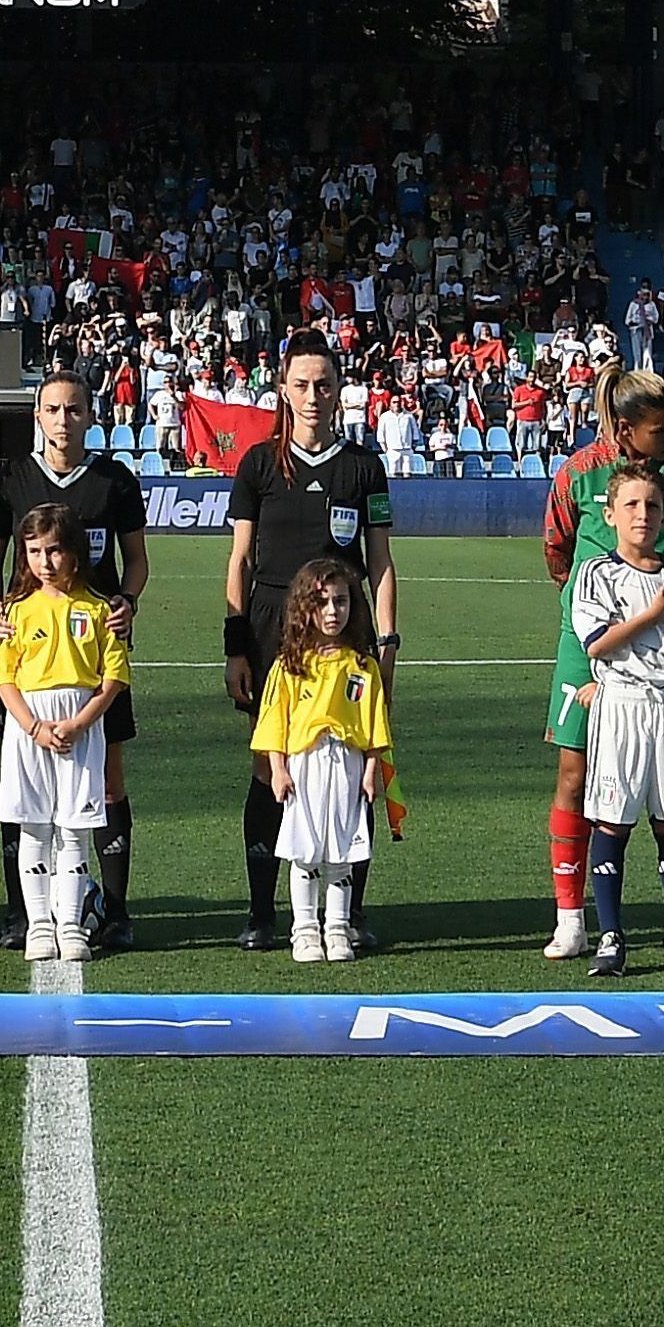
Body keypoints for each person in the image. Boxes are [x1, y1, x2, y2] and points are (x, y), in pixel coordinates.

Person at [224, 337, 399, 954]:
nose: (313, 396)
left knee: (353, 768)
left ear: (337, 388)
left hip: (344, 634)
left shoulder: (363, 468)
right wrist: (236, 646)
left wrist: (387, 643)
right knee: (269, 767)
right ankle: (262, 911)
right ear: (283, 389)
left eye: (323, 384)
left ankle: (349, 914)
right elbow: (241, 559)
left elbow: (379, 562)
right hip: (274, 631)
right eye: (301, 384)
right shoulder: (258, 465)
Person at [540, 371, 664, 959]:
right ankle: (572, 916)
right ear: (624, 427)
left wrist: (654, 613)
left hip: (659, 652)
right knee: (574, 773)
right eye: (659, 431)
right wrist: (597, 615)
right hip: (587, 640)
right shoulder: (579, 472)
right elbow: (557, 550)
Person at [0, 371, 145, 954]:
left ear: (88, 416)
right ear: (38, 416)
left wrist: (124, 602)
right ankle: (21, 915)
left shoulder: (113, 480)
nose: (63, 420)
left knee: (107, 783)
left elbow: (137, 563)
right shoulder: (13, 478)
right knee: (23, 796)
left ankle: (114, 911)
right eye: (53, 409)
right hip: (31, 664)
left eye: (74, 410)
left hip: (91, 653)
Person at [566, 466, 664, 979]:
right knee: (612, 820)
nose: (642, 515)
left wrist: (655, 632)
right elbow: (596, 643)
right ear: (610, 514)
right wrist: (650, 618)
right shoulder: (596, 573)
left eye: (652, 506)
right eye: (631, 505)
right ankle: (611, 938)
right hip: (621, 707)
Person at [0, 503, 130, 965]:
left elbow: (112, 678)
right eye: (33, 552)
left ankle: (70, 925)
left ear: (74, 552)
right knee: (33, 827)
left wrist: (79, 722)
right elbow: (3, 678)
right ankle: (39, 926)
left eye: (53, 551)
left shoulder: (100, 609)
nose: (44, 562)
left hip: (79, 725)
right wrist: (33, 726)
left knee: (73, 830)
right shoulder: (15, 611)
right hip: (29, 725)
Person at [248, 555, 393, 965]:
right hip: (304, 766)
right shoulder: (290, 665)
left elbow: (373, 724)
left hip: (345, 765)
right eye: (323, 603)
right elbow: (275, 720)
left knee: (341, 853)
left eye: (341, 602)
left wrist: (370, 771)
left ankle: (338, 926)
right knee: (305, 851)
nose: (333, 612)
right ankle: (305, 929)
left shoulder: (362, 667)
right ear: (304, 608)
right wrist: (277, 769)